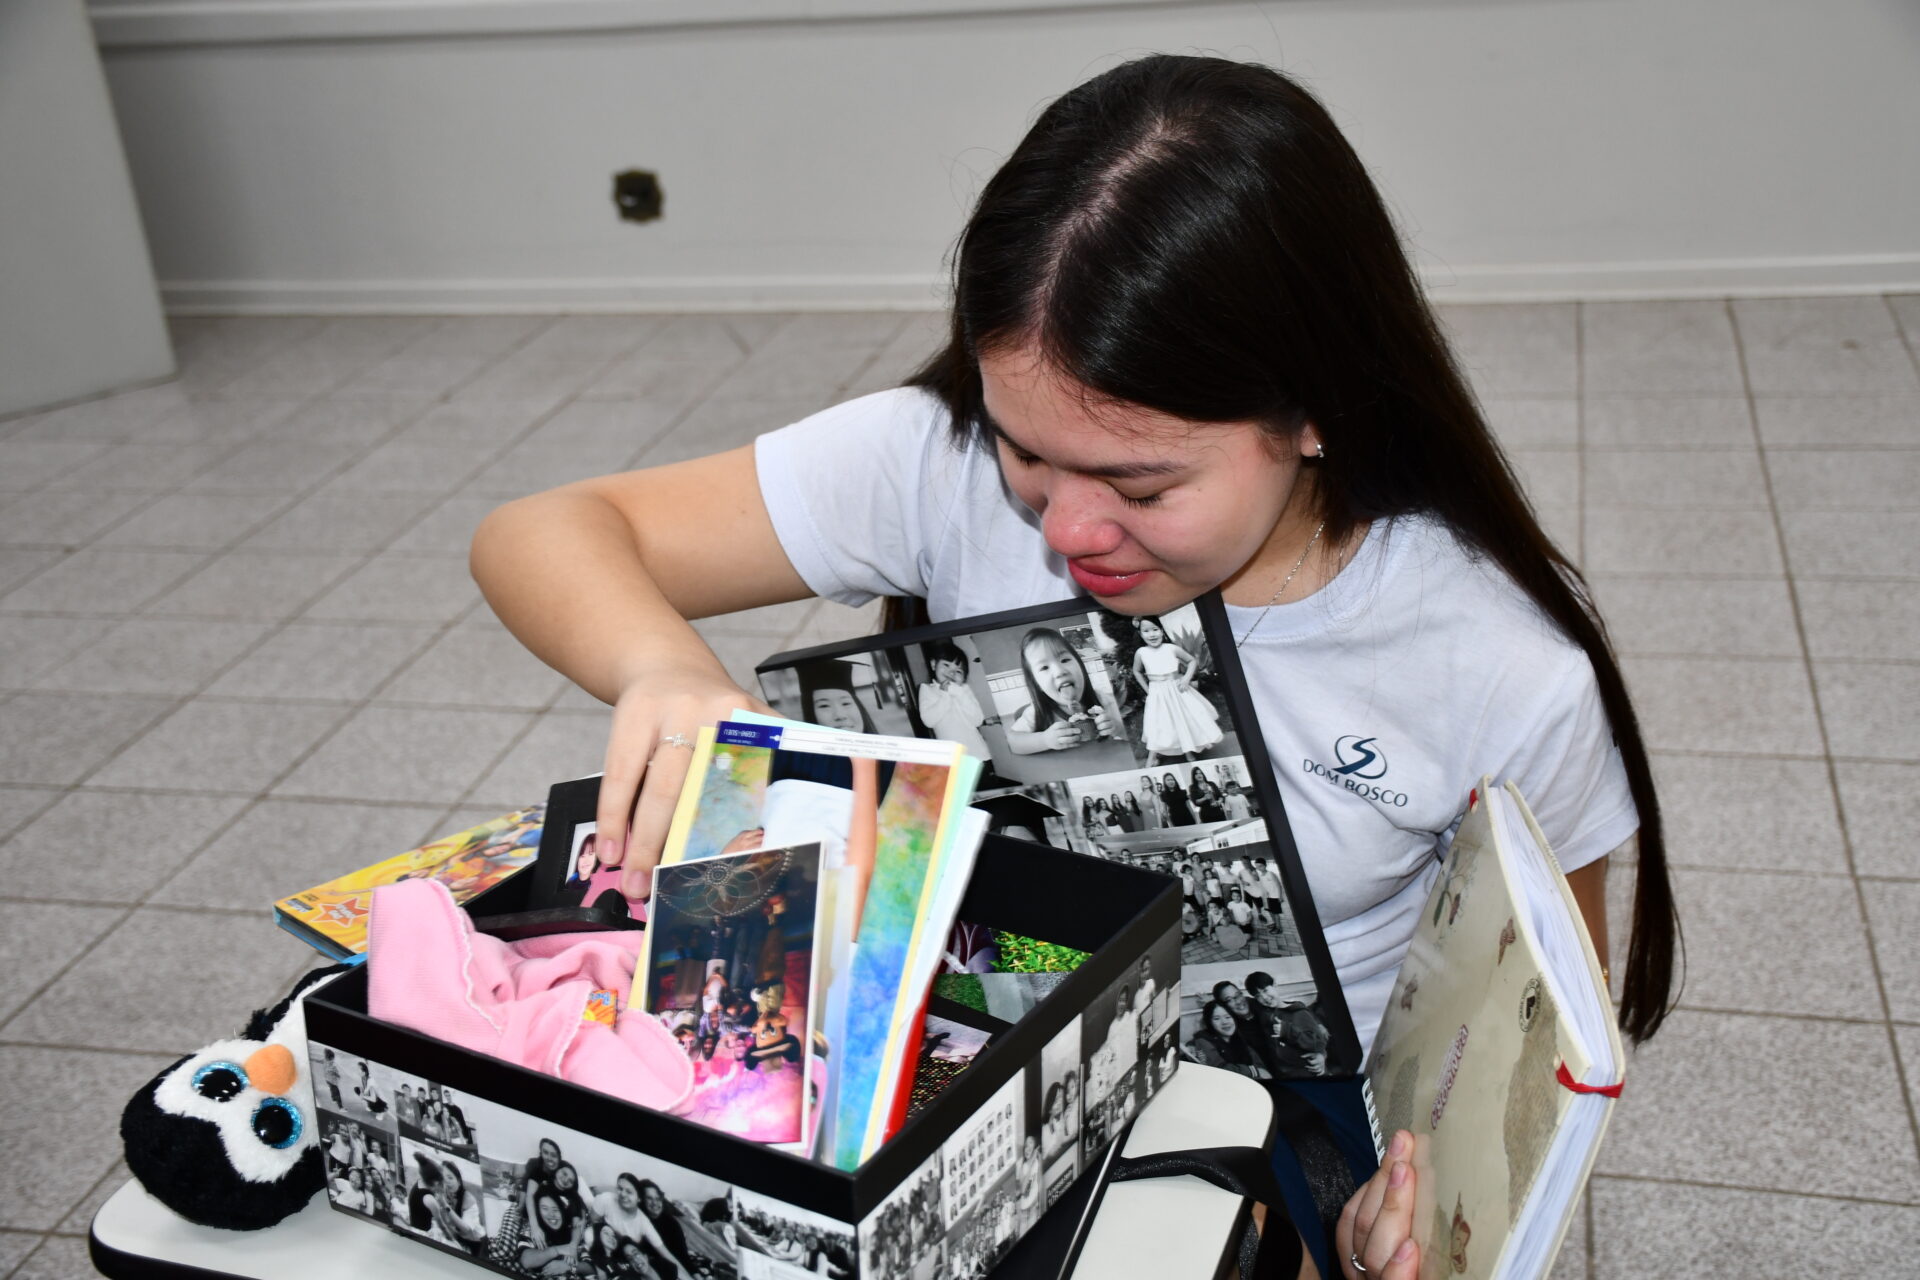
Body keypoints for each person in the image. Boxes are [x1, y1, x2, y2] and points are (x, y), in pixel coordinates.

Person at [471, 54, 1677, 1280]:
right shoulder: (940, 458)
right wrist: (662, 668)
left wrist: (1401, 1218)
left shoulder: (1496, 666)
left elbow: (1528, 1041)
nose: (1067, 529)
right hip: (973, 1018)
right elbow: (540, 532)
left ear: (1316, 411)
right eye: (1027, 454)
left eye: (1141, 485)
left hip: (1273, 1100)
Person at [1130, 615, 1223, 762]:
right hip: (1157, 692)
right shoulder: (1141, 652)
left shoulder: (1171, 648)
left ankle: (1188, 751)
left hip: (1176, 689)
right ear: (1140, 634)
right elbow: (1136, 671)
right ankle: (1152, 757)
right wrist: (1147, 690)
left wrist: (1186, 679)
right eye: (1146, 631)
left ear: (1162, 631)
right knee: (1159, 722)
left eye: (1155, 629)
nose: (1152, 634)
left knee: (1182, 719)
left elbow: (1192, 661)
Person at [1002, 628, 1111, 753]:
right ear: (1037, 684)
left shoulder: (1101, 699)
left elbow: (1122, 727)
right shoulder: (1036, 713)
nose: (1059, 672)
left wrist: (1113, 725)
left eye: (1065, 660)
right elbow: (1012, 742)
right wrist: (1044, 740)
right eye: (1044, 667)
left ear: (1081, 666)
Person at [915, 639, 994, 761]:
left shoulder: (963, 690)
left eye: (958, 671)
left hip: (979, 754)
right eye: (946, 665)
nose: (951, 672)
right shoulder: (927, 689)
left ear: (964, 676)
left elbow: (977, 720)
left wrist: (959, 692)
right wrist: (945, 695)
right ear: (933, 665)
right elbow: (929, 721)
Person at [1184, 999, 1272, 1080]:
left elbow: (1261, 1067)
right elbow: (1219, 1070)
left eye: (1228, 1017)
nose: (1225, 1022)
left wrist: (1257, 1072)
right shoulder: (1203, 1041)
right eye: (1217, 1018)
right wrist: (1253, 1071)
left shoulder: (1239, 1038)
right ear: (1209, 1022)